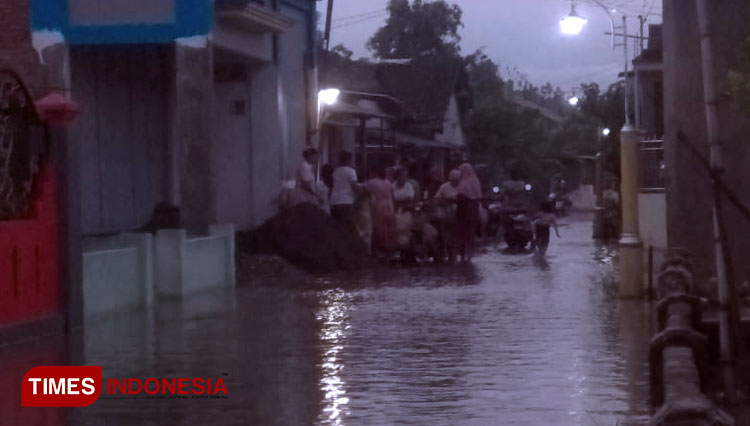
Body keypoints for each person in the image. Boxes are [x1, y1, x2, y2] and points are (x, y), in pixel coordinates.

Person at [450, 163, 482, 263]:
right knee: (471, 232)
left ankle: (461, 254)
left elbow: (460, 199)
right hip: (474, 210)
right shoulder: (476, 181)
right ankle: (469, 254)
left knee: (461, 233)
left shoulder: (463, 184)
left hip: (464, 210)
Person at [366, 164, 397, 260]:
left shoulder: (371, 183)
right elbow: (393, 196)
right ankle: (389, 254)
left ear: (374, 172)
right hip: (390, 207)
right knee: (389, 231)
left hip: (378, 207)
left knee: (378, 231)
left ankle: (377, 253)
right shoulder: (388, 183)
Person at [329, 151, 361, 231]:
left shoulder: (335, 171)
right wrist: (359, 195)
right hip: (346, 201)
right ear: (349, 160)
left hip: (334, 201)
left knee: (336, 227)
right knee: (347, 227)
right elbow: (354, 186)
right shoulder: (351, 171)